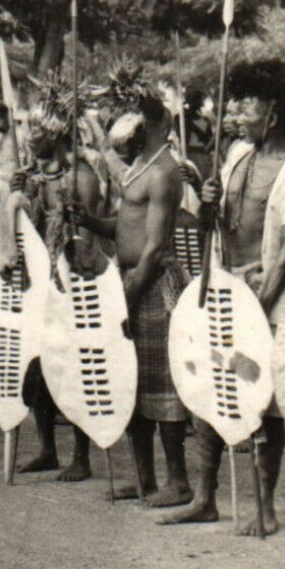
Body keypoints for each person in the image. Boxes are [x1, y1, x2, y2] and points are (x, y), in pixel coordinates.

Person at [162, 59, 285, 533]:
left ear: (273, 112)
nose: (234, 113)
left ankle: (264, 508)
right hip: (224, 284)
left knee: (262, 402)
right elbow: (216, 224)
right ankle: (204, 497)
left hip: (267, 296)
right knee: (211, 386)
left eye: (246, 104)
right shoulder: (236, 155)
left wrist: (258, 306)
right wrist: (210, 200)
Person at [92, 84, 192, 506]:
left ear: (151, 124)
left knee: (162, 387)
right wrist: (85, 218)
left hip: (154, 284)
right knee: (130, 383)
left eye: (136, 116)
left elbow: (153, 247)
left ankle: (179, 481)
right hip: (127, 276)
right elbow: (122, 226)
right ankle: (145, 477)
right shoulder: (137, 167)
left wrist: (129, 296)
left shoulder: (165, 171)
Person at [13, 84, 110, 481]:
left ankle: (81, 455)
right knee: (37, 365)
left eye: (36, 133)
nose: (29, 139)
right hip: (39, 277)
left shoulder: (79, 175)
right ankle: (47, 449)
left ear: (53, 134)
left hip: (73, 277)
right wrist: (19, 196)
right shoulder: (35, 176)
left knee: (75, 364)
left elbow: (88, 232)